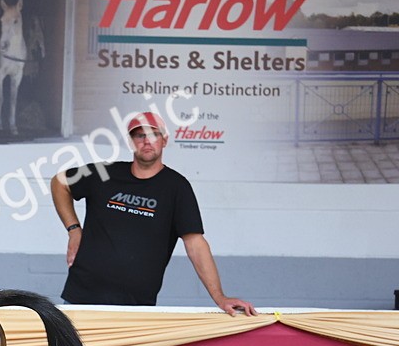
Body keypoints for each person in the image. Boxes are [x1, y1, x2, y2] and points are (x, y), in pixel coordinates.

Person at [51, 111, 257, 315]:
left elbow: (196, 244)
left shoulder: (177, 188)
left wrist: (219, 297)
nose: (146, 141)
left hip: (136, 308)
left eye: (153, 135)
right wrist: (74, 230)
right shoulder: (105, 173)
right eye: (139, 136)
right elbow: (60, 182)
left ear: (164, 140)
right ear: (131, 143)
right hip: (80, 299)